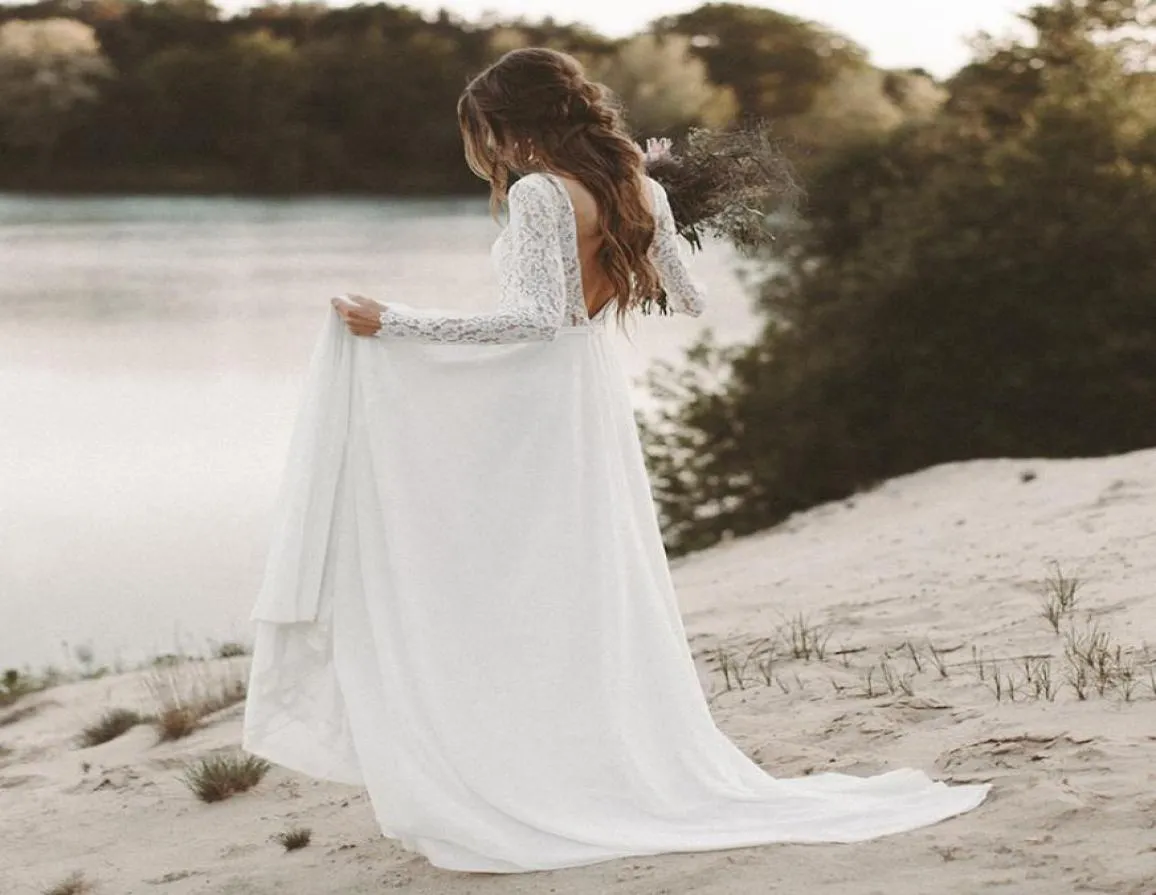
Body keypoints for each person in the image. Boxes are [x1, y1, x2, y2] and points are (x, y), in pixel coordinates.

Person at [241, 47, 990, 875]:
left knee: (499, 569)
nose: (488, 147)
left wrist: (399, 322)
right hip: (588, 393)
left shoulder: (536, 194)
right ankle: (573, 747)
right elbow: (687, 296)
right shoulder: (639, 188)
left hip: (530, 401)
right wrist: (642, 231)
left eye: (487, 129)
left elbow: (531, 320)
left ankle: (528, 759)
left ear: (514, 123)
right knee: (576, 570)